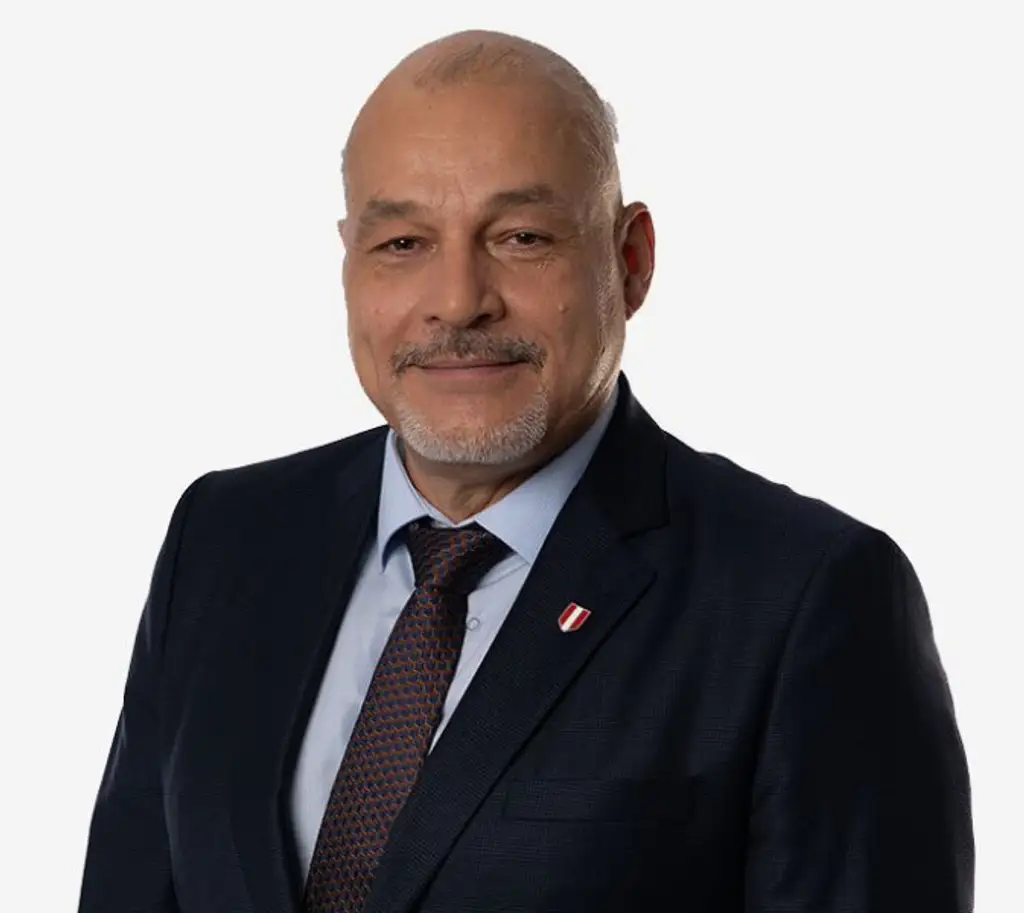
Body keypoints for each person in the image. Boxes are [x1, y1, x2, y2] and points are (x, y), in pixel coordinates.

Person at [77, 28, 973, 913]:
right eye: (403, 244)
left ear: (630, 261)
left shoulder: (804, 598)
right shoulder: (223, 539)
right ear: (349, 265)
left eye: (521, 237)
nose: (458, 301)